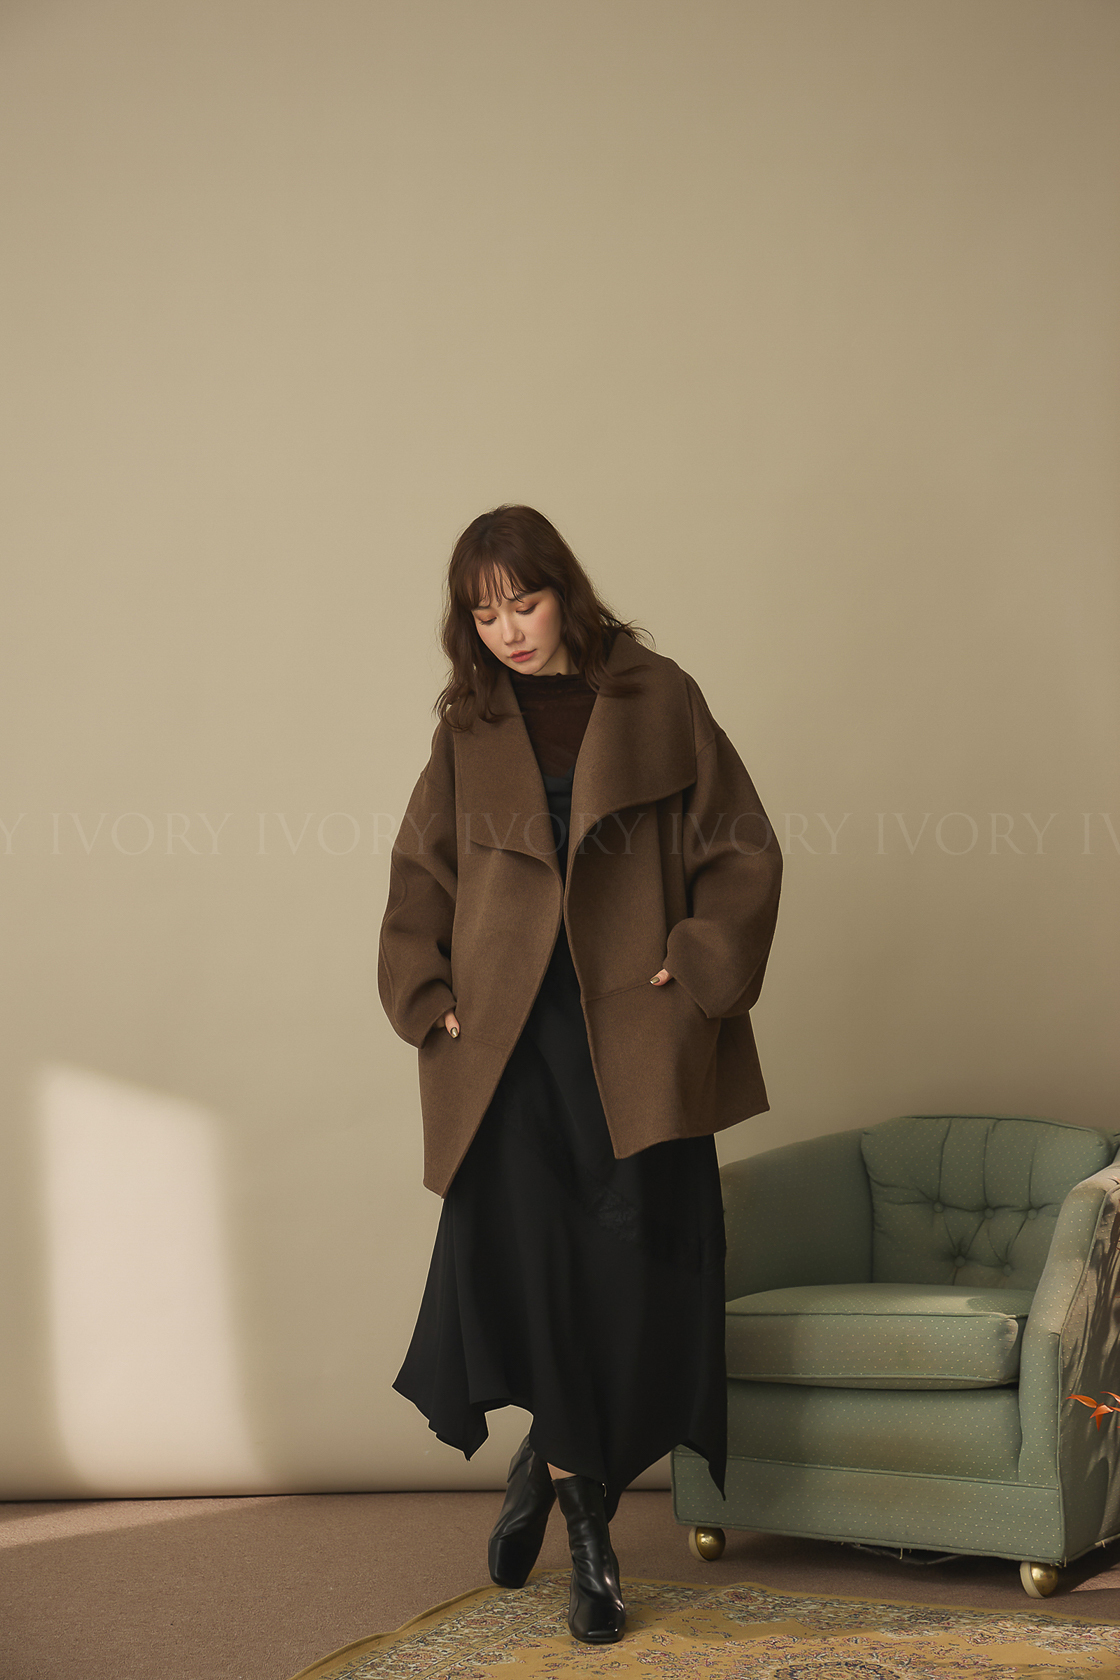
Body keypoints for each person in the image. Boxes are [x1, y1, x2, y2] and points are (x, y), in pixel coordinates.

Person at [378, 505, 783, 1645]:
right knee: (545, 1276)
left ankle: (539, 1466)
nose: (509, 630)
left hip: (634, 1036)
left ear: (566, 590)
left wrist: (697, 959)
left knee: (637, 1278)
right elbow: (420, 871)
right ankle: (591, 1544)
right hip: (508, 1046)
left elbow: (742, 845)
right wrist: (426, 992)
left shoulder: (660, 697)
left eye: (526, 601)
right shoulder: (467, 728)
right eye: (485, 614)